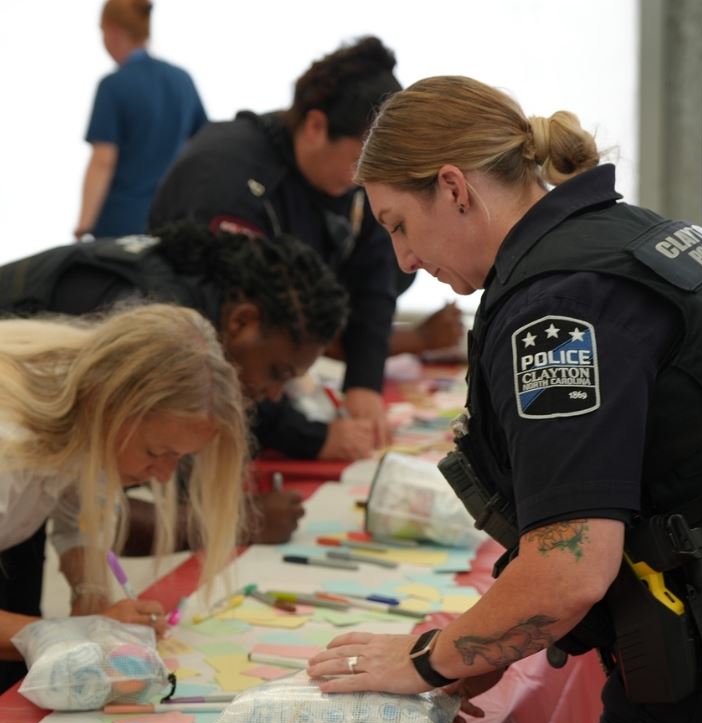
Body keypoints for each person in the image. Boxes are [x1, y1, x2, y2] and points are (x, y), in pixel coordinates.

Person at [307, 76, 702, 723]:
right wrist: (487, 639)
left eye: (397, 225)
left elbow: (571, 569)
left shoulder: (560, 308)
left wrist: (426, 661)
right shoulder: (631, 239)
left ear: (453, 187)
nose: (405, 260)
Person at [0, 221, 351, 542]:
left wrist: (87, 591)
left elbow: (80, 499)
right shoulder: (150, 330)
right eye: (277, 373)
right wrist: (230, 523)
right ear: (243, 321)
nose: (274, 395)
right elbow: (97, 495)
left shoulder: (194, 314)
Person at [149, 36, 401, 458]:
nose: (364, 179)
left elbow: (374, 274)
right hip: (180, 392)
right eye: (361, 160)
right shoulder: (228, 184)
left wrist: (364, 382)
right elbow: (228, 344)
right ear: (317, 126)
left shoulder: (347, 177)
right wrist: (311, 438)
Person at [0, 304, 247, 690]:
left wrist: (91, 594)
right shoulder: (9, 443)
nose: (164, 476)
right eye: (155, 453)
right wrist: (76, 633)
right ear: (111, 407)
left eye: (178, 459)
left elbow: (79, 517)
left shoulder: (86, 413)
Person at [75, 0, 207, 239]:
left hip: (121, 225)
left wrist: (83, 225)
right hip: (172, 224)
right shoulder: (182, 81)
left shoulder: (113, 86)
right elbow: (201, 147)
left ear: (113, 31)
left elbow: (103, 161)